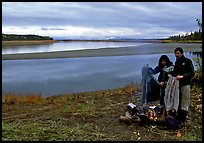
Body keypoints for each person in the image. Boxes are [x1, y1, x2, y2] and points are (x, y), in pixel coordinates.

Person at [169, 47, 195, 128]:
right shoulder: (177, 62)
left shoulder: (187, 61)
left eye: (177, 53)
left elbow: (192, 73)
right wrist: (171, 74)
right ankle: (178, 118)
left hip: (185, 84)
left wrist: (183, 76)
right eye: (175, 53)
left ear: (181, 53)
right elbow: (176, 72)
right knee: (178, 101)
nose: (176, 55)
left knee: (184, 102)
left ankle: (182, 121)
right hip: (178, 85)